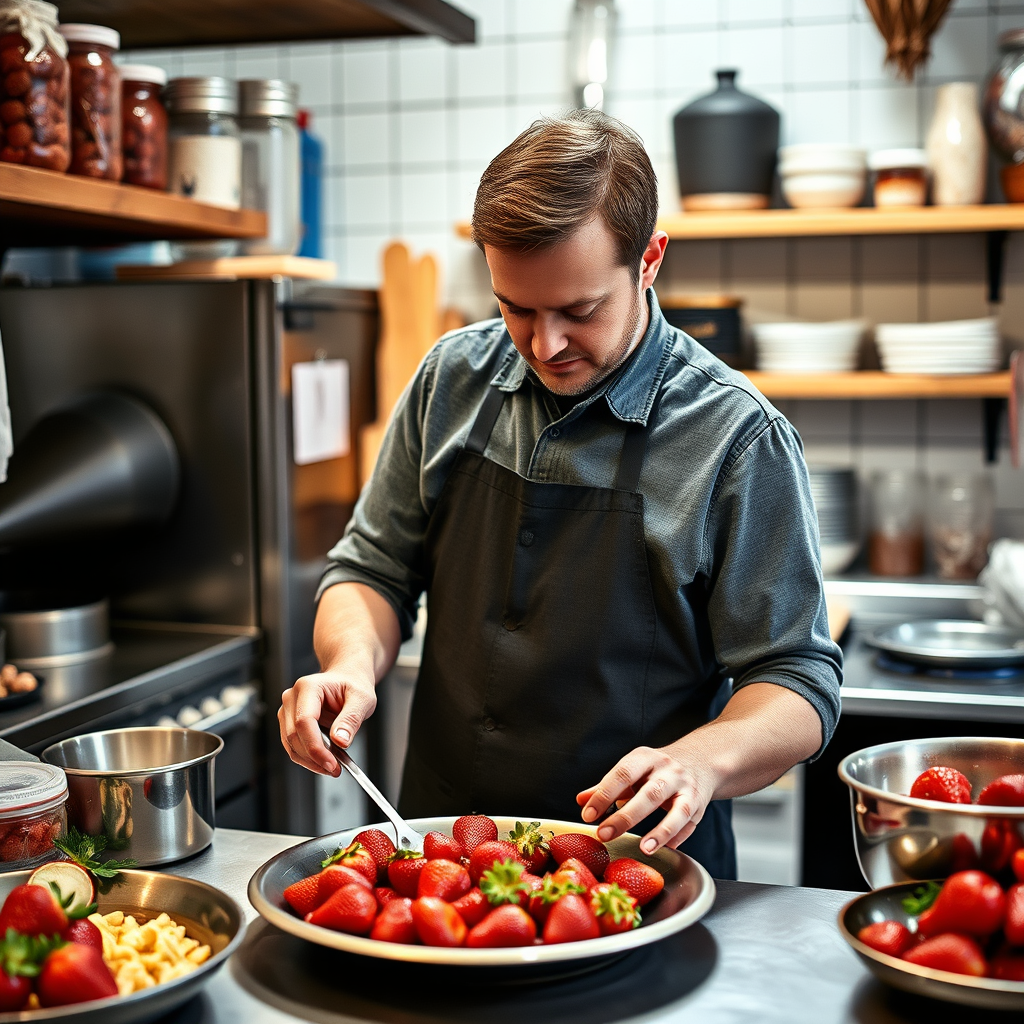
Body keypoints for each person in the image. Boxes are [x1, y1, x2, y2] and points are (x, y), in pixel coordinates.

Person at [278, 109, 842, 878]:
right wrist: (348, 663)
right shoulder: (450, 381)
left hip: (633, 870)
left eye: (580, 311)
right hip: (442, 864)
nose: (545, 345)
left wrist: (701, 763)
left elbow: (796, 681)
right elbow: (372, 568)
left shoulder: (737, 438)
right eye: (515, 308)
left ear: (649, 260)